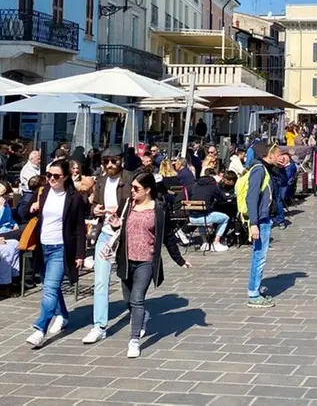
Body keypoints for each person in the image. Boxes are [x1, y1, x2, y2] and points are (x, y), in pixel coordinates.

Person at [106, 172, 191, 358]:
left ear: (148, 190)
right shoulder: (127, 204)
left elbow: (168, 236)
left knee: (137, 299)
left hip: (146, 261)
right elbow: (119, 228)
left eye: (136, 188)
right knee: (128, 300)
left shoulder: (159, 209)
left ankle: (134, 340)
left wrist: (179, 260)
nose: (132, 191)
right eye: (132, 187)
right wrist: (115, 224)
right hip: (126, 260)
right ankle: (142, 316)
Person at [25, 159, 88, 348]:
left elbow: (79, 227)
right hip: (42, 246)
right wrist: (32, 208)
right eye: (49, 175)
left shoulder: (74, 198)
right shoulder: (43, 192)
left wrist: (80, 254)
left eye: (56, 176)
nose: (51, 179)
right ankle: (63, 314)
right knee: (50, 285)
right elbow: (24, 212)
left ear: (66, 177)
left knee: (50, 288)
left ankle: (40, 329)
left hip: (60, 248)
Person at [83, 147, 133, 345]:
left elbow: (141, 204)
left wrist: (123, 219)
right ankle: (99, 326)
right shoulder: (101, 181)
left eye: (114, 161)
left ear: (121, 161)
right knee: (101, 281)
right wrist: (94, 209)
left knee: (128, 278)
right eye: (106, 162)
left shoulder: (130, 179)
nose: (110, 165)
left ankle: (136, 312)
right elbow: (95, 204)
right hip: (105, 235)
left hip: (126, 236)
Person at [245, 143, 278, 308]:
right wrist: (254, 223)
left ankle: (255, 290)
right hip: (260, 220)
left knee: (260, 256)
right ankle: (253, 294)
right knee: (259, 257)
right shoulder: (259, 170)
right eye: (277, 154)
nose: (279, 157)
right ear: (269, 155)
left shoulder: (266, 169)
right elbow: (251, 197)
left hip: (264, 218)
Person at [188, 168, 229, 252]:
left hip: (192, 217)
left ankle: (205, 243)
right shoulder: (212, 185)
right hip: (204, 217)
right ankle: (216, 242)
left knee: (200, 215)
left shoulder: (195, 185)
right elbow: (222, 199)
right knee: (225, 218)